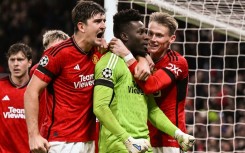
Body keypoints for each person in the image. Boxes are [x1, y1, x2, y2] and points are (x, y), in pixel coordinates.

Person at [93, 9, 195, 153]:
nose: (149, 38)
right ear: (124, 36)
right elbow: (100, 107)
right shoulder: (111, 62)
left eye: (158, 35)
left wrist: (177, 133)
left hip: (152, 144)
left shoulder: (171, 62)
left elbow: (152, 107)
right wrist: (127, 139)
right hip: (121, 146)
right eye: (144, 32)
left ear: (171, 39)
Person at [24, 1, 106, 153]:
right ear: (81, 26)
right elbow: (31, 92)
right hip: (62, 142)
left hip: (89, 140)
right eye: (97, 21)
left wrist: (143, 58)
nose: (103, 26)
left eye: (104, 21)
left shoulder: (99, 52)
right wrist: (33, 135)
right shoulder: (59, 53)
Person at [30, 30, 69, 131]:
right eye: (53, 50)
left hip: (67, 129)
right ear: (45, 51)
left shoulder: (75, 70)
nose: (56, 54)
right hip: (45, 129)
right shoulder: (36, 70)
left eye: (60, 49)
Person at [0, 43, 32, 153]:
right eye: (12, 60)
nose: (15, 64)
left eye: (20, 59)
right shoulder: (0, 86)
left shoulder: (39, 89)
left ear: (29, 62)